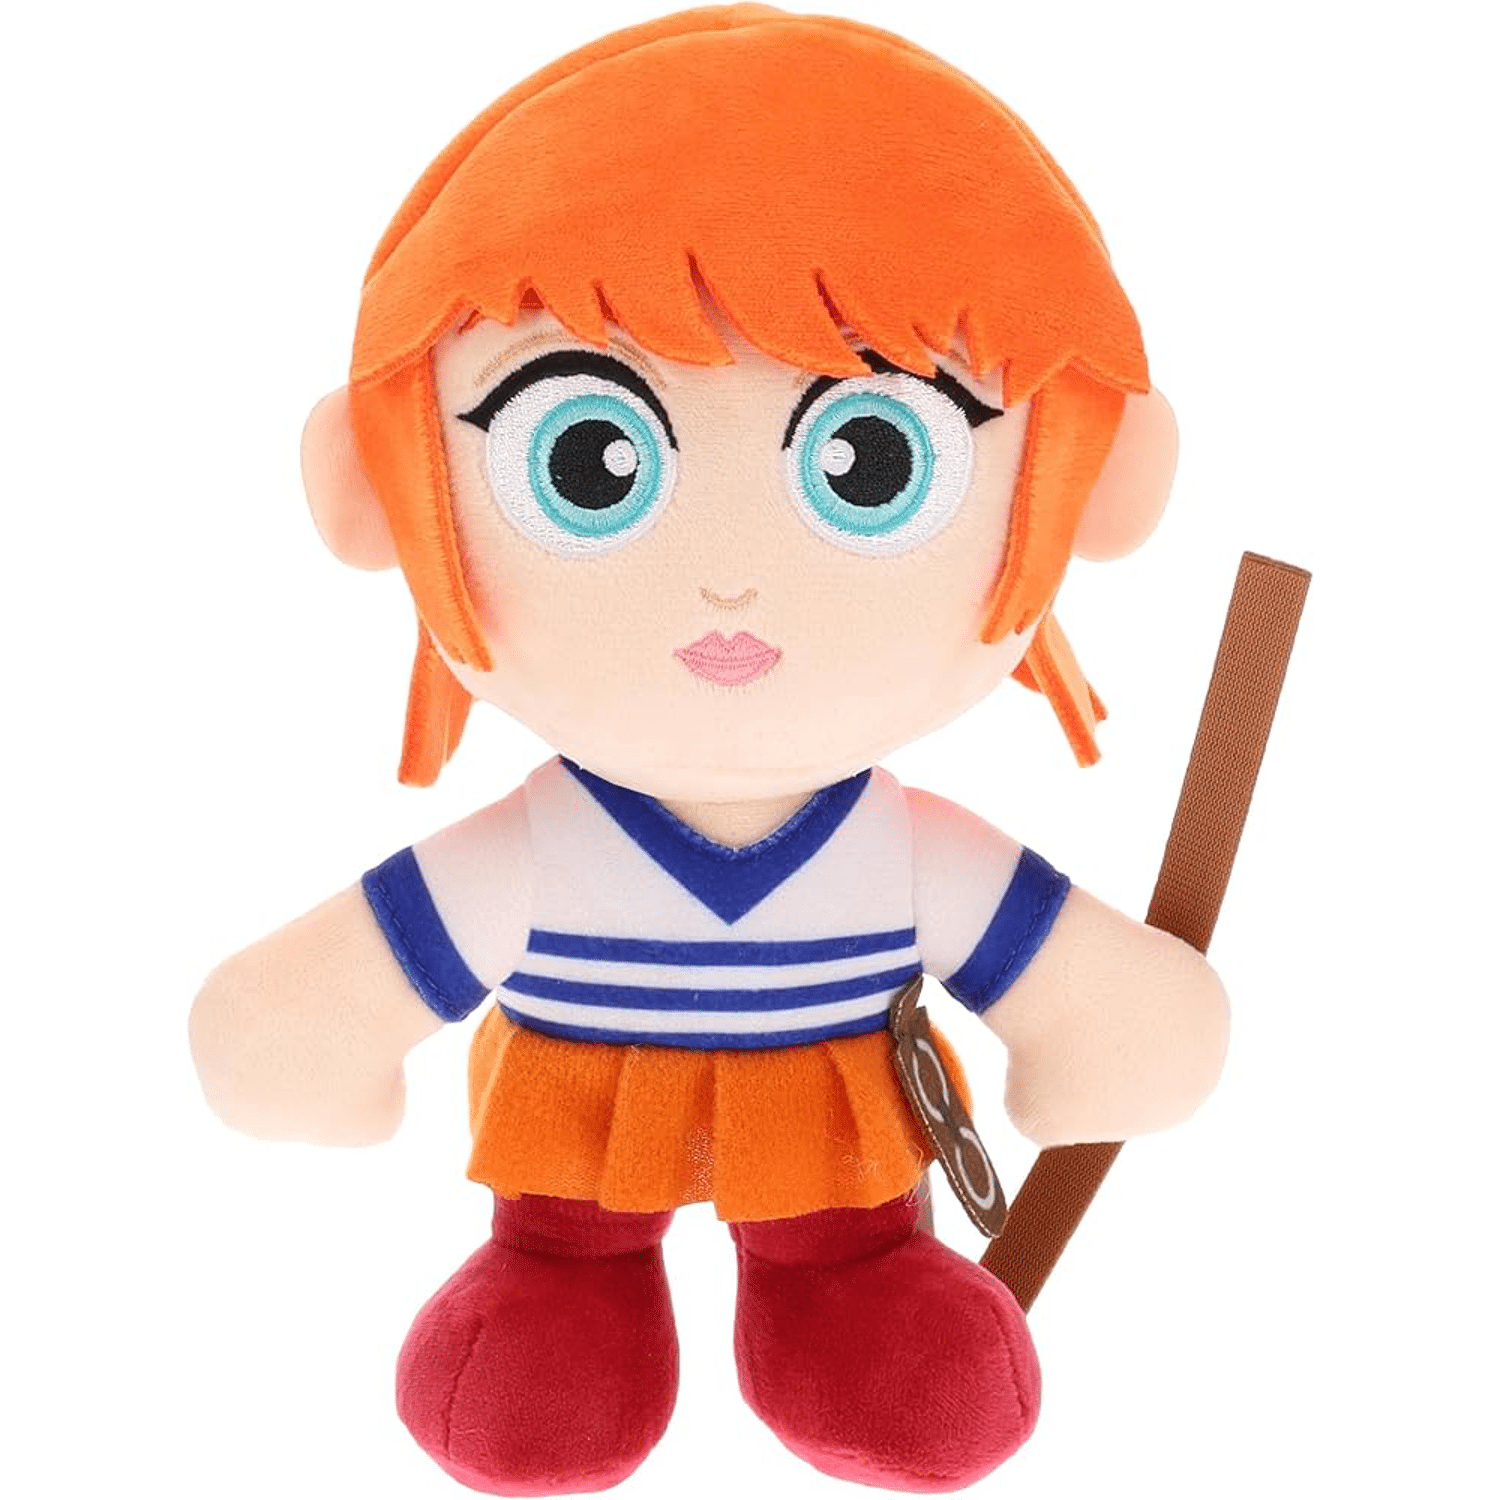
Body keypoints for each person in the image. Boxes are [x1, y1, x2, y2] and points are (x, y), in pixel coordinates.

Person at [191, 8, 1228, 1494]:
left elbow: (1057, 966)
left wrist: (1116, 1025)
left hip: (843, 1165)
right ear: (381, 488)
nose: (730, 583)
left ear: (1090, 480)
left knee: (865, 1297)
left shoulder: (900, 850)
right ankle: (566, 1280)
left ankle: (846, 1288)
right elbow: (352, 978)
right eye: (584, 460)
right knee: (555, 1305)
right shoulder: (542, 852)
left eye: (873, 459)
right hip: (572, 1159)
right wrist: (304, 1038)